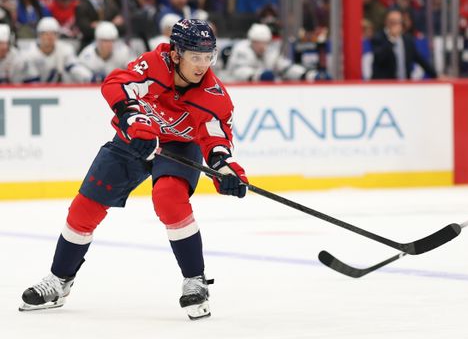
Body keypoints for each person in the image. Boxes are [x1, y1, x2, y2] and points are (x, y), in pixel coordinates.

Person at [19, 19, 248, 320]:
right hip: (136, 138)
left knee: (169, 198)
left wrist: (227, 171)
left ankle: (195, 280)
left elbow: (216, 140)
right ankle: (59, 280)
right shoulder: (153, 64)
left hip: (179, 147)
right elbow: (116, 84)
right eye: (195, 56)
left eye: (208, 57)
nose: (202, 65)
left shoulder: (214, 97)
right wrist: (134, 121)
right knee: (84, 208)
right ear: (177, 53)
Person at [225, 23, 329, 82]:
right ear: (252, 41)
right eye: (259, 43)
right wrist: (259, 75)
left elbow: (285, 67)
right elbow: (239, 72)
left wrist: (307, 75)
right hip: (235, 90)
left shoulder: (269, 51)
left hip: (259, 92)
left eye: (265, 43)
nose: (262, 46)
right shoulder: (242, 49)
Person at [370, 9, 437, 80]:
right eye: (393, 22)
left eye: (398, 22)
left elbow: (420, 60)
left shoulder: (407, 39)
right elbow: (380, 58)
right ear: (386, 22)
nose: (396, 25)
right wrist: (392, 39)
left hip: (404, 85)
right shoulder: (378, 37)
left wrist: (436, 76)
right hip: (385, 85)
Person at [20, 16, 87, 82]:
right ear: (39, 35)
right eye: (46, 34)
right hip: (35, 90)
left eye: (53, 33)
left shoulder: (65, 49)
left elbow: (76, 68)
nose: (49, 37)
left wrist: (89, 77)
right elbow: (29, 80)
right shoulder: (29, 53)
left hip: (60, 90)